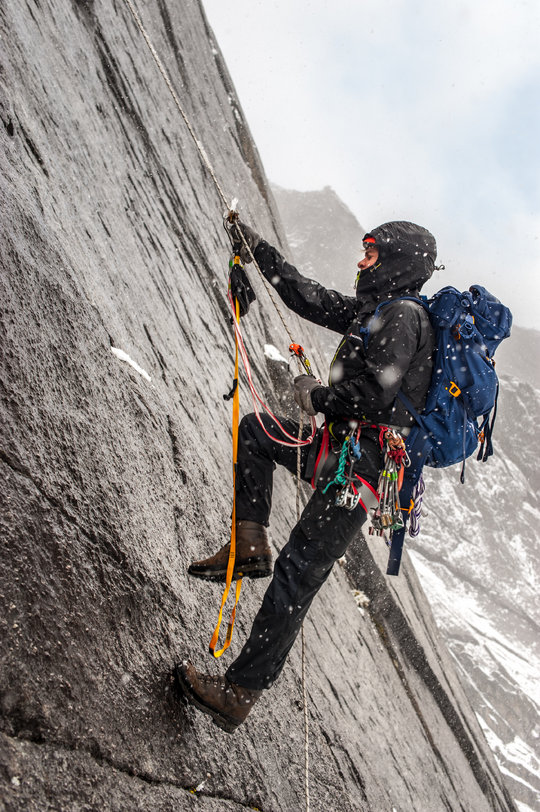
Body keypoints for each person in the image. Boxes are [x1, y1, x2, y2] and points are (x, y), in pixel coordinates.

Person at [177, 220, 436, 733]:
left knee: (296, 575)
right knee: (256, 432)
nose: (362, 262)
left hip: (359, 472)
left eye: (371, 254)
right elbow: (309, 298)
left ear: (397, 261)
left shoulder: (403, 316)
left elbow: (376, 394)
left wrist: (317, 396)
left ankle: (239, 693)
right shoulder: (378, 311)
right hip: (339, 452)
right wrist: (258, 250)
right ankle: (248, 544)